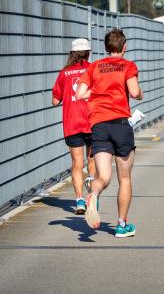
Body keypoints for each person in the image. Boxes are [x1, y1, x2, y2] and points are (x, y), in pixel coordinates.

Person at [76, 29, 143, 238]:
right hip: (121, 124)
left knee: (103, 177)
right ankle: (122, 225)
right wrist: (140, 94)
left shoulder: (94, 67)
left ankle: (93, 195)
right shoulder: (128, 65)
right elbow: (134, 92)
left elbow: (79, 94)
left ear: (106, 48)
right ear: (124, 47)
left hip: (99, 126)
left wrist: (97, 92)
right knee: (125, 178)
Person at [52, 38, 96, 215]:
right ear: (88, 53)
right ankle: (92, 197)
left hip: (72, 123)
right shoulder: (93, 69)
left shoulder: (64, 73)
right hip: (93, 121)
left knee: (77, 163)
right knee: (92, 161)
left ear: (71, 53)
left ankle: (79, 200)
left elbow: (55, 100)